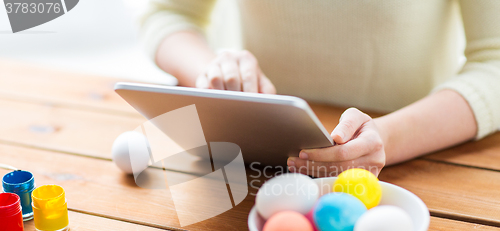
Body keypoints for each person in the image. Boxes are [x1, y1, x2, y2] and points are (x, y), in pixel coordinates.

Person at [140, 0, 500, 177]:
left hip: (405, 172)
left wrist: (388, 138)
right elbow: (168, 13)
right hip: (245, 163)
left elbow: (495, 63)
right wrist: (214, 71)